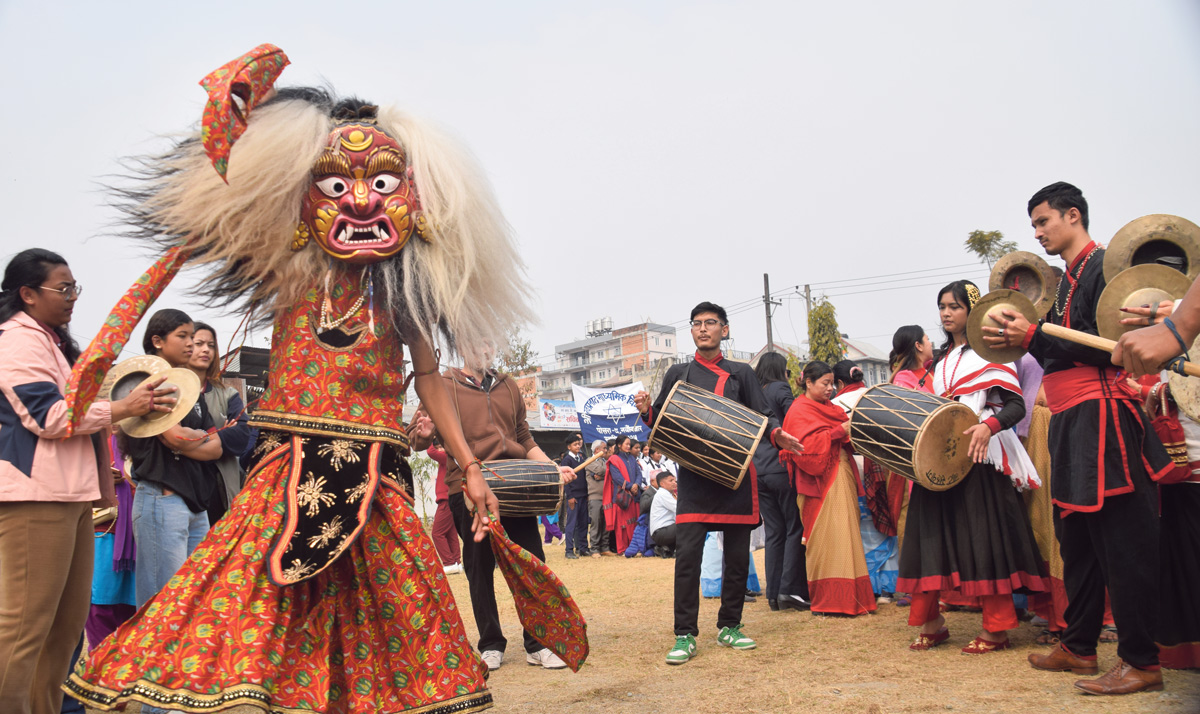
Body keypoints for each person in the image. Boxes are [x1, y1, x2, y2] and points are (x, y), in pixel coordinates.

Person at [66, 49, 581, 713]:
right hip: (287, 469)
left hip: (378, 471)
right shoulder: (288, 267)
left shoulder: (405, 290)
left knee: (393, 606)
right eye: (337, 185)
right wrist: (240, 125)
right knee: (260, 602)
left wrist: (469, 464)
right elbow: (233, 197)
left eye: (383, 184)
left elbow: (428, 379)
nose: (361, 200)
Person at [984, 182, 1172, 694]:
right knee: (1078, 540)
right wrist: (1027, 336)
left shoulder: (1107, 268)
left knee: (1122, 541)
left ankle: (1141, 660)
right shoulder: (1063, 280)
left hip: (1104, 415)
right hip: (1070, 417)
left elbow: (1113, 346)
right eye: (1034, 225)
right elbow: (1054, 353)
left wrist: (1032, 336)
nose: (1039, 232)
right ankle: (1079, 646)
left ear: (1073, 215)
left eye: (1044, 221)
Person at [0, 248, 173, 714]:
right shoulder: (18, 341)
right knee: (23, 629)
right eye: (64, 288)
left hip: (68, 497)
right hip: (35, 497)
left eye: (75, 287)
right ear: (27, 295)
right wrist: (121, 408)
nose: (73, 296)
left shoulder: (50, 342)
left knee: (63, 628)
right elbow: (50, 417)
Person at [634, 301, 802, 665]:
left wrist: (778, 435)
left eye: (711, 323)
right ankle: (684, 634)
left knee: (737, 558)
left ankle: (730, 625)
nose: (703, 328)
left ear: (724, 330)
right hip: (695, 479)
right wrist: (646, 409)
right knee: (688, 559)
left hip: (735, 477)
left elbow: (764, 416)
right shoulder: (679, 372)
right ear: (692, 331)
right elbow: (660, 419)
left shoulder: (742, 373)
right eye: (697, 323)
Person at [898, 280, 1046, 655]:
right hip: (942, 456)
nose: (946, 313)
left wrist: (987, 426)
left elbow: (1015, 407)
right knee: (927, 531)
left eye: (954, 306)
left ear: (972, 310)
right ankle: (931, 622)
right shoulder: (942, 362)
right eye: (942, 307)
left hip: (980, 458)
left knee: (982, 539)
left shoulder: (992, 354)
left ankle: (997, 628)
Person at [410, 354, 578, 672]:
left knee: (530, 562)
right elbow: (416, 440)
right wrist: (424, 432)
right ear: (462, 342)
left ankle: (538, 642)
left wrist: (553, 468)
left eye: (488, 340)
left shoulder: (508, 385)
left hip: (516, 484)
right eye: (476, 338)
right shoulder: (441, 384)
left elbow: (524, 437)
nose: (483, 347)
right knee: (479, 566)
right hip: (467, 486)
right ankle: (490, 644)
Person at [126, 310, 227, 623]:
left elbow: (217, 448)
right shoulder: (149, 382)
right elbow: (174, 437)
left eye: (192, 337)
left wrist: (191, 439)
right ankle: (145, 670)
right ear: (157, 341)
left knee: (192, 602)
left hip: (195, 505)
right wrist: (195, 438)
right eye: (183, 337)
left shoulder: (190, 387)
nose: (192, 345)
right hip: (163, 498)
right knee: (161, 606)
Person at [780, 361, 877, 617]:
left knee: (847, 533)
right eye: (824, 383)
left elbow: (846, 436)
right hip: (818, 482)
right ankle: (829, 601)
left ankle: (854, 599)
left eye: (832, 383)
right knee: (825, 539)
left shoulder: (831, 408)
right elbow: (803, 449)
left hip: (840, 473)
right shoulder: (798, 410)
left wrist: (846, 432)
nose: (830, 388)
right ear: (808, 383)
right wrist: (837, 432)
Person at [752, 351, 809, 612]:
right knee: (793, 527)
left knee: (774, 532)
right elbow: (794, 421)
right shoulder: (780, 390)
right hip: (780, 466)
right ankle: (791, 591)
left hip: (758, 469)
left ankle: (773, 594)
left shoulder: (753, 392)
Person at [188, 321, 251, 527]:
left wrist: (191, 439)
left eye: (211, 345)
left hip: (220, 488)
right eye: (199, 343)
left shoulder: (227, 394)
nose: (206, 349)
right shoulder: (172, 391)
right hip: (183, 487)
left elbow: (242, 437)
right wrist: (220, 432)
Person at [426, 432, 463, 574]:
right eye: (438, 446)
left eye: (441, 446)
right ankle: (456, 562)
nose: (439, 449)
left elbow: (430, 451)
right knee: (450, 533)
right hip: (450, 498)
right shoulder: (450, 458)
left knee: (437, 533)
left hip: (446, 500)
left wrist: (429, 436)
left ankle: (448, 563)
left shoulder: (447, 457)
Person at [604, 435, 643, 556]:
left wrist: (636, 484)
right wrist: (631, 486)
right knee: (622, 525)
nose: (628, 446)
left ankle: (633, 547)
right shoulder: (613, 459)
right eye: (626, 444)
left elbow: (639, 473)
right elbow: (617, 478)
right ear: (619, 445)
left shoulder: (632, 458)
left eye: (629, 444)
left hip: (634, 495)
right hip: (622, 496)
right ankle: (622, 549)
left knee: (633, 522)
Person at [561, 435, 590, 559]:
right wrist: (570, 496)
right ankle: (569, 550)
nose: (578, 446)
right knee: (571, 524)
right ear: (569, 447)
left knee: (583, 523)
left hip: (583, 495)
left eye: (579, 444)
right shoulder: (567, 460)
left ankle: (582, 548)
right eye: (575, 444)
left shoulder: (582, 458)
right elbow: (566, 481)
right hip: (574, 497)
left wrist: (587, 494)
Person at [585, 439, 612, 557]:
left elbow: (609, 472)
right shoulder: (589, 461)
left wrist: (601, 477)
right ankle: (595, 548)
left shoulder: (605, 461)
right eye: (604, 448)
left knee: (606, 522)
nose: (606, 450)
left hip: (606, 496)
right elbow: (601, 470)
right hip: (595, 496)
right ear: (597, 450)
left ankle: (604, 547)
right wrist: (604, 474)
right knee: (596, 522)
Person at [649, 471, 679, 555]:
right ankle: (678, 551)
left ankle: (666, 548)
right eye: (671, 481)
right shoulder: (663, 493)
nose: (674, 482)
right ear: (662, 484)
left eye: (674, 480)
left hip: (665, 531)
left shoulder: (668, 494)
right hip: (661, 532)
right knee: (686, 524)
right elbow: (678, 509)